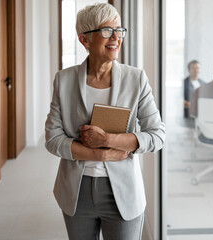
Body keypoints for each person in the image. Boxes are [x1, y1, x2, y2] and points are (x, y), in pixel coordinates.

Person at [45, 3, 165, 240]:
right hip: (76, 192)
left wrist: (108, 140)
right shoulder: (64, 80)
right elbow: (52, 139)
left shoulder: (136, 79)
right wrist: (99, 154)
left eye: (119, 30)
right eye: (107, 31)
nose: (116, 38)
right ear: (84, 40)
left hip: (123, 192)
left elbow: (157, 135)